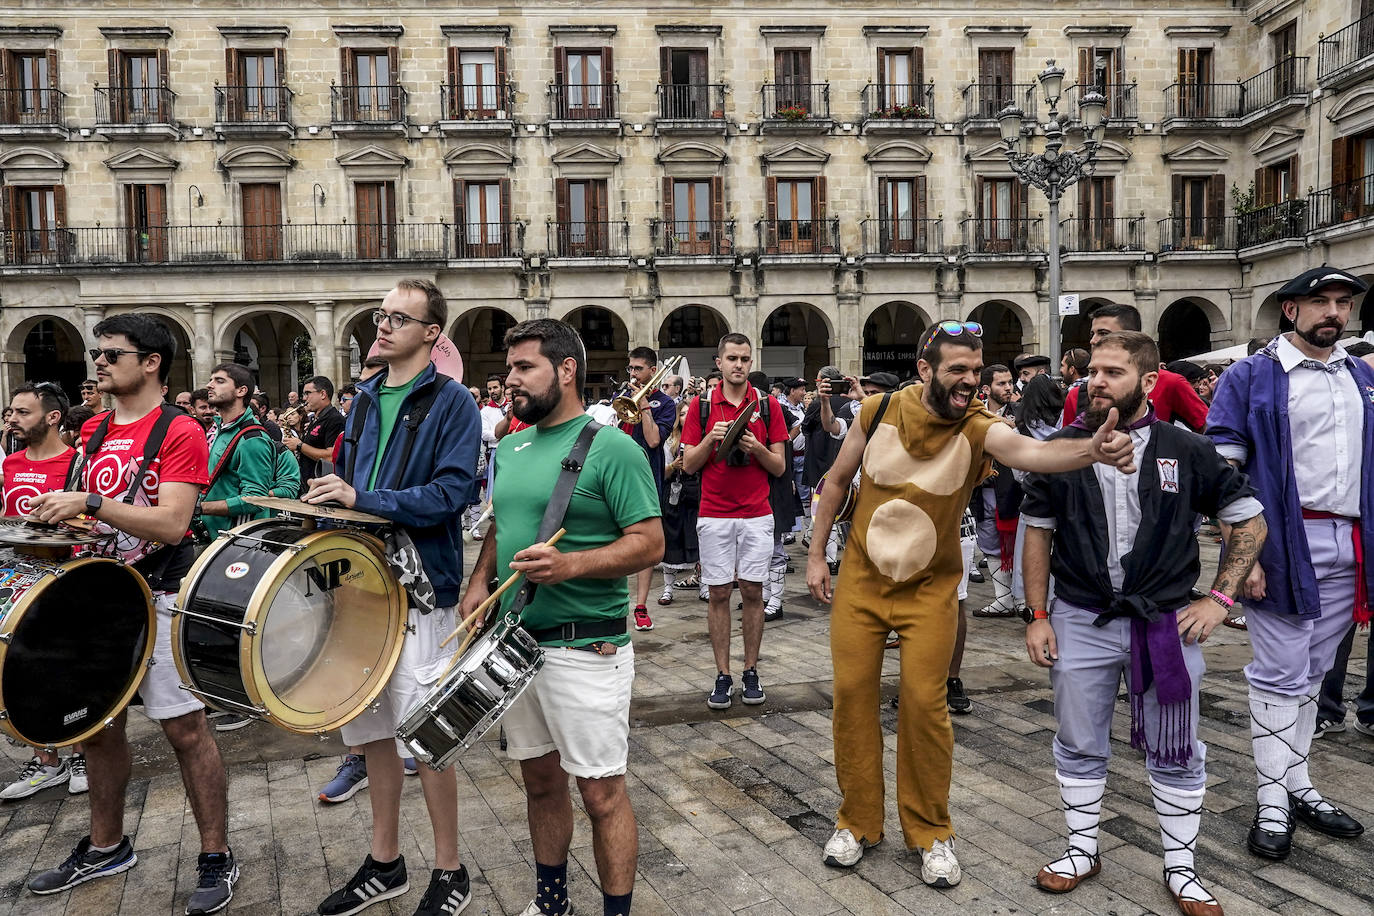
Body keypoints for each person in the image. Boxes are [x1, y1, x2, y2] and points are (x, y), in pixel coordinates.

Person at [805, 319, 1137, 888]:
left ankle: (932, 831)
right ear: (925, 370)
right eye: (957, 371)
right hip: (861, 584)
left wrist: (1092, 452)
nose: (970, 382)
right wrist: (815, 555)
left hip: (931, 591)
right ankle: (858, 822)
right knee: (853, 700)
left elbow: (1032, 452)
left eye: (977, 372)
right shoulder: (878, 411)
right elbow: (835, 482)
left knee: (925, 707)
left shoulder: (981, 427)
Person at [1021, 331, 1266, 915]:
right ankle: (1082, 848)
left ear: (1149, 382)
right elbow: (1036, 534)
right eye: (1092, 372)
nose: (1096, 381)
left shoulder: (1186, 449)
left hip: (1165, 621)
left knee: (1176, 746)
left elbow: (1249, 520)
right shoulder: (1063, 448)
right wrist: (1036, 615)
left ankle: (1181, 867)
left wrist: (1219, 601)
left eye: (1112, 372)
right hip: (1080, 615)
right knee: (1078, 738)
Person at [25, 314, 236, 915]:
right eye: (98, 352)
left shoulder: (180, 429)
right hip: (99, 595)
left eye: (113, 353)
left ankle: (216, 855)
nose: (99, 362)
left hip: (160, 594)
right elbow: (99, 518)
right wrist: (60, 516)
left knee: (184, 729)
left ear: (151, 362)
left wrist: (91, 501)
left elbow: (172, 523)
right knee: (96, 725)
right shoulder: (91, 430)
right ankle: (105, 845)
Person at [463, 317, 662, 916]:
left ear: (566, 370)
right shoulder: (515, 444)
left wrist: (569, 566)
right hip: (516, 642)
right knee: (541, 785)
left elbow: (650, 543)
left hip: (587, 647)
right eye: (508, 369)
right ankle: (552, 903)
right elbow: (505, 523)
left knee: (601, 794)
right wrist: (479, 580)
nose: (509, 381)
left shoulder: (613, 447)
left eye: (525, 368)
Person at [303, 279, 482, 916]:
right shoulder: (367, 396)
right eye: (380, 315)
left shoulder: (453, 401)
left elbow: (451, 495)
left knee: (428, 737)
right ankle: (386, 862)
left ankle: (450, 871)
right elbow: (350, 485)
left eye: (398, 319)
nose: (381, 326)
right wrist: (324, 509)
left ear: (431, 334)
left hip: (418, 591)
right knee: (371, 733)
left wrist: (361, 499)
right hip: (359, 587)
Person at [1206, 266, 1372, 861]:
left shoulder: (1359, 376)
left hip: (1350, 541)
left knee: (1315, 671)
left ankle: (1297, 783)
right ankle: (1273, 797)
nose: (1334, 311)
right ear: (1291, 310)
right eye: (1321, 301)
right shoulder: (1250, 375)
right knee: (1279, 672)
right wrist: (1241, 553)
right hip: (1281, 540)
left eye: (1343, 302)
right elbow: (1224, 471)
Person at [681, 334, 788, 709]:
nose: (739, 365)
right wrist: (711, 438)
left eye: (745, 358)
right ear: (719, 362)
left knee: (753, 592)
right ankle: (723, 674)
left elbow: (780, 467)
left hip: (757, 514)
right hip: (714, 513)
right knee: (719, 593)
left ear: (750, 362)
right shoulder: (702, 405)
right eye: (732, 358)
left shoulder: (769, 406)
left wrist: (756, 448)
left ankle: (752, 671)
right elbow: (689, 465)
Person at [0, 383, 88, 801]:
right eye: (10, 412)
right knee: (24, 667)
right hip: (19, 580)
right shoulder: (11, 462)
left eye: (22, 412)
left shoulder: (77, 464)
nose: (11, 419)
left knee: (73, 669)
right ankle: (46, 760)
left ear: (52, 417)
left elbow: (90, 523)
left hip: (64, 580)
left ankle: (83, 752)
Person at [1062, 304, 1208, 431]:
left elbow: (1207, 427)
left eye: (1104, 333)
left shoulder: (1171, 383)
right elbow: (1067, 446)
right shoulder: (1077, 395)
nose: (1093, 340)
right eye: (1092, 334)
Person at [621, 347, 676, 631]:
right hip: (619, 478)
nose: (632, 374)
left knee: (643, 543)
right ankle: (616, 603)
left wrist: (642, 407)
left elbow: (654, 440)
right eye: (630, 368)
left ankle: (641, 606)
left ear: (652, 371)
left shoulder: (666, 404)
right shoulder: (622, 398)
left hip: (646, 478)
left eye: (638, 369)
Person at [970, 364, 1020, 618]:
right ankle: (1003, 599)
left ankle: (1022, 599)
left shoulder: (1021, 412)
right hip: (983, 490)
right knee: (989, 543)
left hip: (1014, 490)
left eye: (1010, 382)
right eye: (1002, 384)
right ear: (987, 388)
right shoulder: (974, 414)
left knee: (1019, 543)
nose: (1009, 387)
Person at [285, 376, 344, 487]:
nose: (304, 398)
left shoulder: (334, 419)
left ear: (322, 394)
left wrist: (299, 445)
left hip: (321, 485)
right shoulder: (315, 419)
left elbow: (331, 456)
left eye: (308, 393)